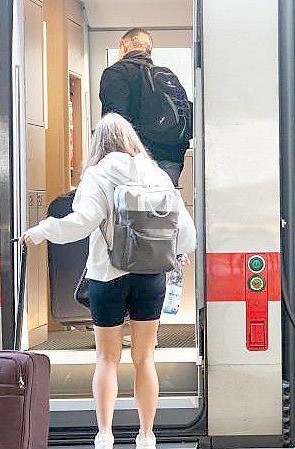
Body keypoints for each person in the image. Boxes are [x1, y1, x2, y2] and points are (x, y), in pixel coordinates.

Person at [20, 113, 195, 449]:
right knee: (145, 358)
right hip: (150, 276)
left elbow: (82, 222)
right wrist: (171, 253)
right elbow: (187, 235)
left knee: (106, 358)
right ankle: (147, 435)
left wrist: (41, 232)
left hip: (107, 275)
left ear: (98, 143)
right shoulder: (156, 173)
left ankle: (104, 435)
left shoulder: (97, 175)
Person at [100, 27, 190, 186]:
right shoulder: (166, 75)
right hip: (171, 158)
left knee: (133, 209)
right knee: (164, 208)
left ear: (123, 44)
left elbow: (114, 122)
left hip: (134, 162)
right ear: (149, 49)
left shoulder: (117, 72)